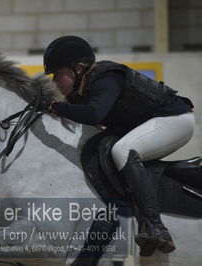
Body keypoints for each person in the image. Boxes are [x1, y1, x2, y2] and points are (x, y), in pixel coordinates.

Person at [40, 36, 195, 256]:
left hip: (175, 120)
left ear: (77, 69)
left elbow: (95, 114)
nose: (55, 81)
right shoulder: (81, 93)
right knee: (108, 148)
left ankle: (156, 226)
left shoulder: (106, 77)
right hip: (151, 122)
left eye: (57, 74)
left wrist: (55, 107)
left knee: (123, 150)